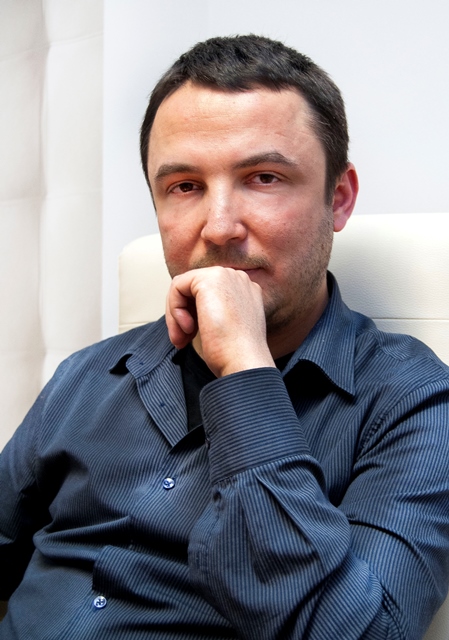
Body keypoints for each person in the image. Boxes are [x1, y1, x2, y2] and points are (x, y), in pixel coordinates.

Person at [1, 34, 449, 640]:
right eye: (184, 186)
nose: (218, 228)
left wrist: (243, 370)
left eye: (263, 178)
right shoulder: (87, 374)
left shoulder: (414, 402)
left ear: (338, 199)